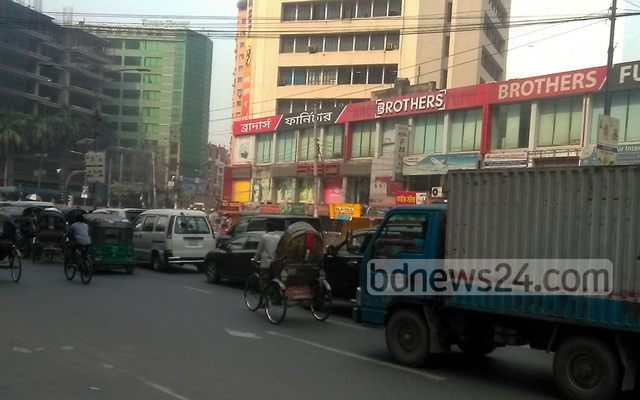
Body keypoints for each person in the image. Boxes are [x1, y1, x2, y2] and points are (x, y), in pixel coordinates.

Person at [253, 220, 281, 286]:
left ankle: (263, 294)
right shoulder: (278, 237)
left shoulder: (264, 237)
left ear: (267, 228)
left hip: (266, 263)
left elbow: (259, 251)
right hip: (275, 264)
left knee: (263, 280)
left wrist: (255, 259)